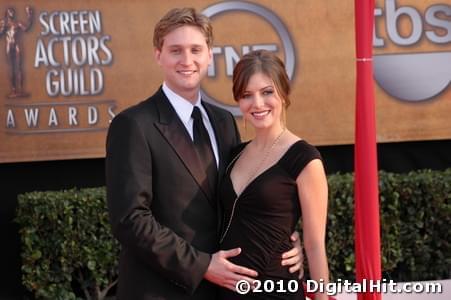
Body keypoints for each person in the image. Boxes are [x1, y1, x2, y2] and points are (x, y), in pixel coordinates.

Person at [106, 8, 302, 300]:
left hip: (222, 292)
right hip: (159, 290)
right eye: (176, 50)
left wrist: (285, 241)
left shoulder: (223, 122)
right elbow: (130, 219)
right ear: (158, 55)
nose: (187, 60)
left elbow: (240, 201)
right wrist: (202, 265)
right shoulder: (134, 125)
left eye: (195, 49)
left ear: (209, 55)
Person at [218, 50, 330, 299]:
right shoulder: (233, 154)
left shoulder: (304, 159)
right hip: (227, 291)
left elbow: (314, 246)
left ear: (283, 92)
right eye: (247, 95)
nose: (257, 104)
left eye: (267, 92)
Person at [0, 6, 33, 98]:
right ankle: (13, 90)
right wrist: (2, 28)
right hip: (8, 47)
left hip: (16, 46)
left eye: (13, 11)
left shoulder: (17, 23)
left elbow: (26, 28)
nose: (12, 12)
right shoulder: (3, 23)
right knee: (11, 69)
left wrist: (29, 16)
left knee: (19, 68)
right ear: (7, 13)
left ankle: (21, 90)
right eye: (10, 11)